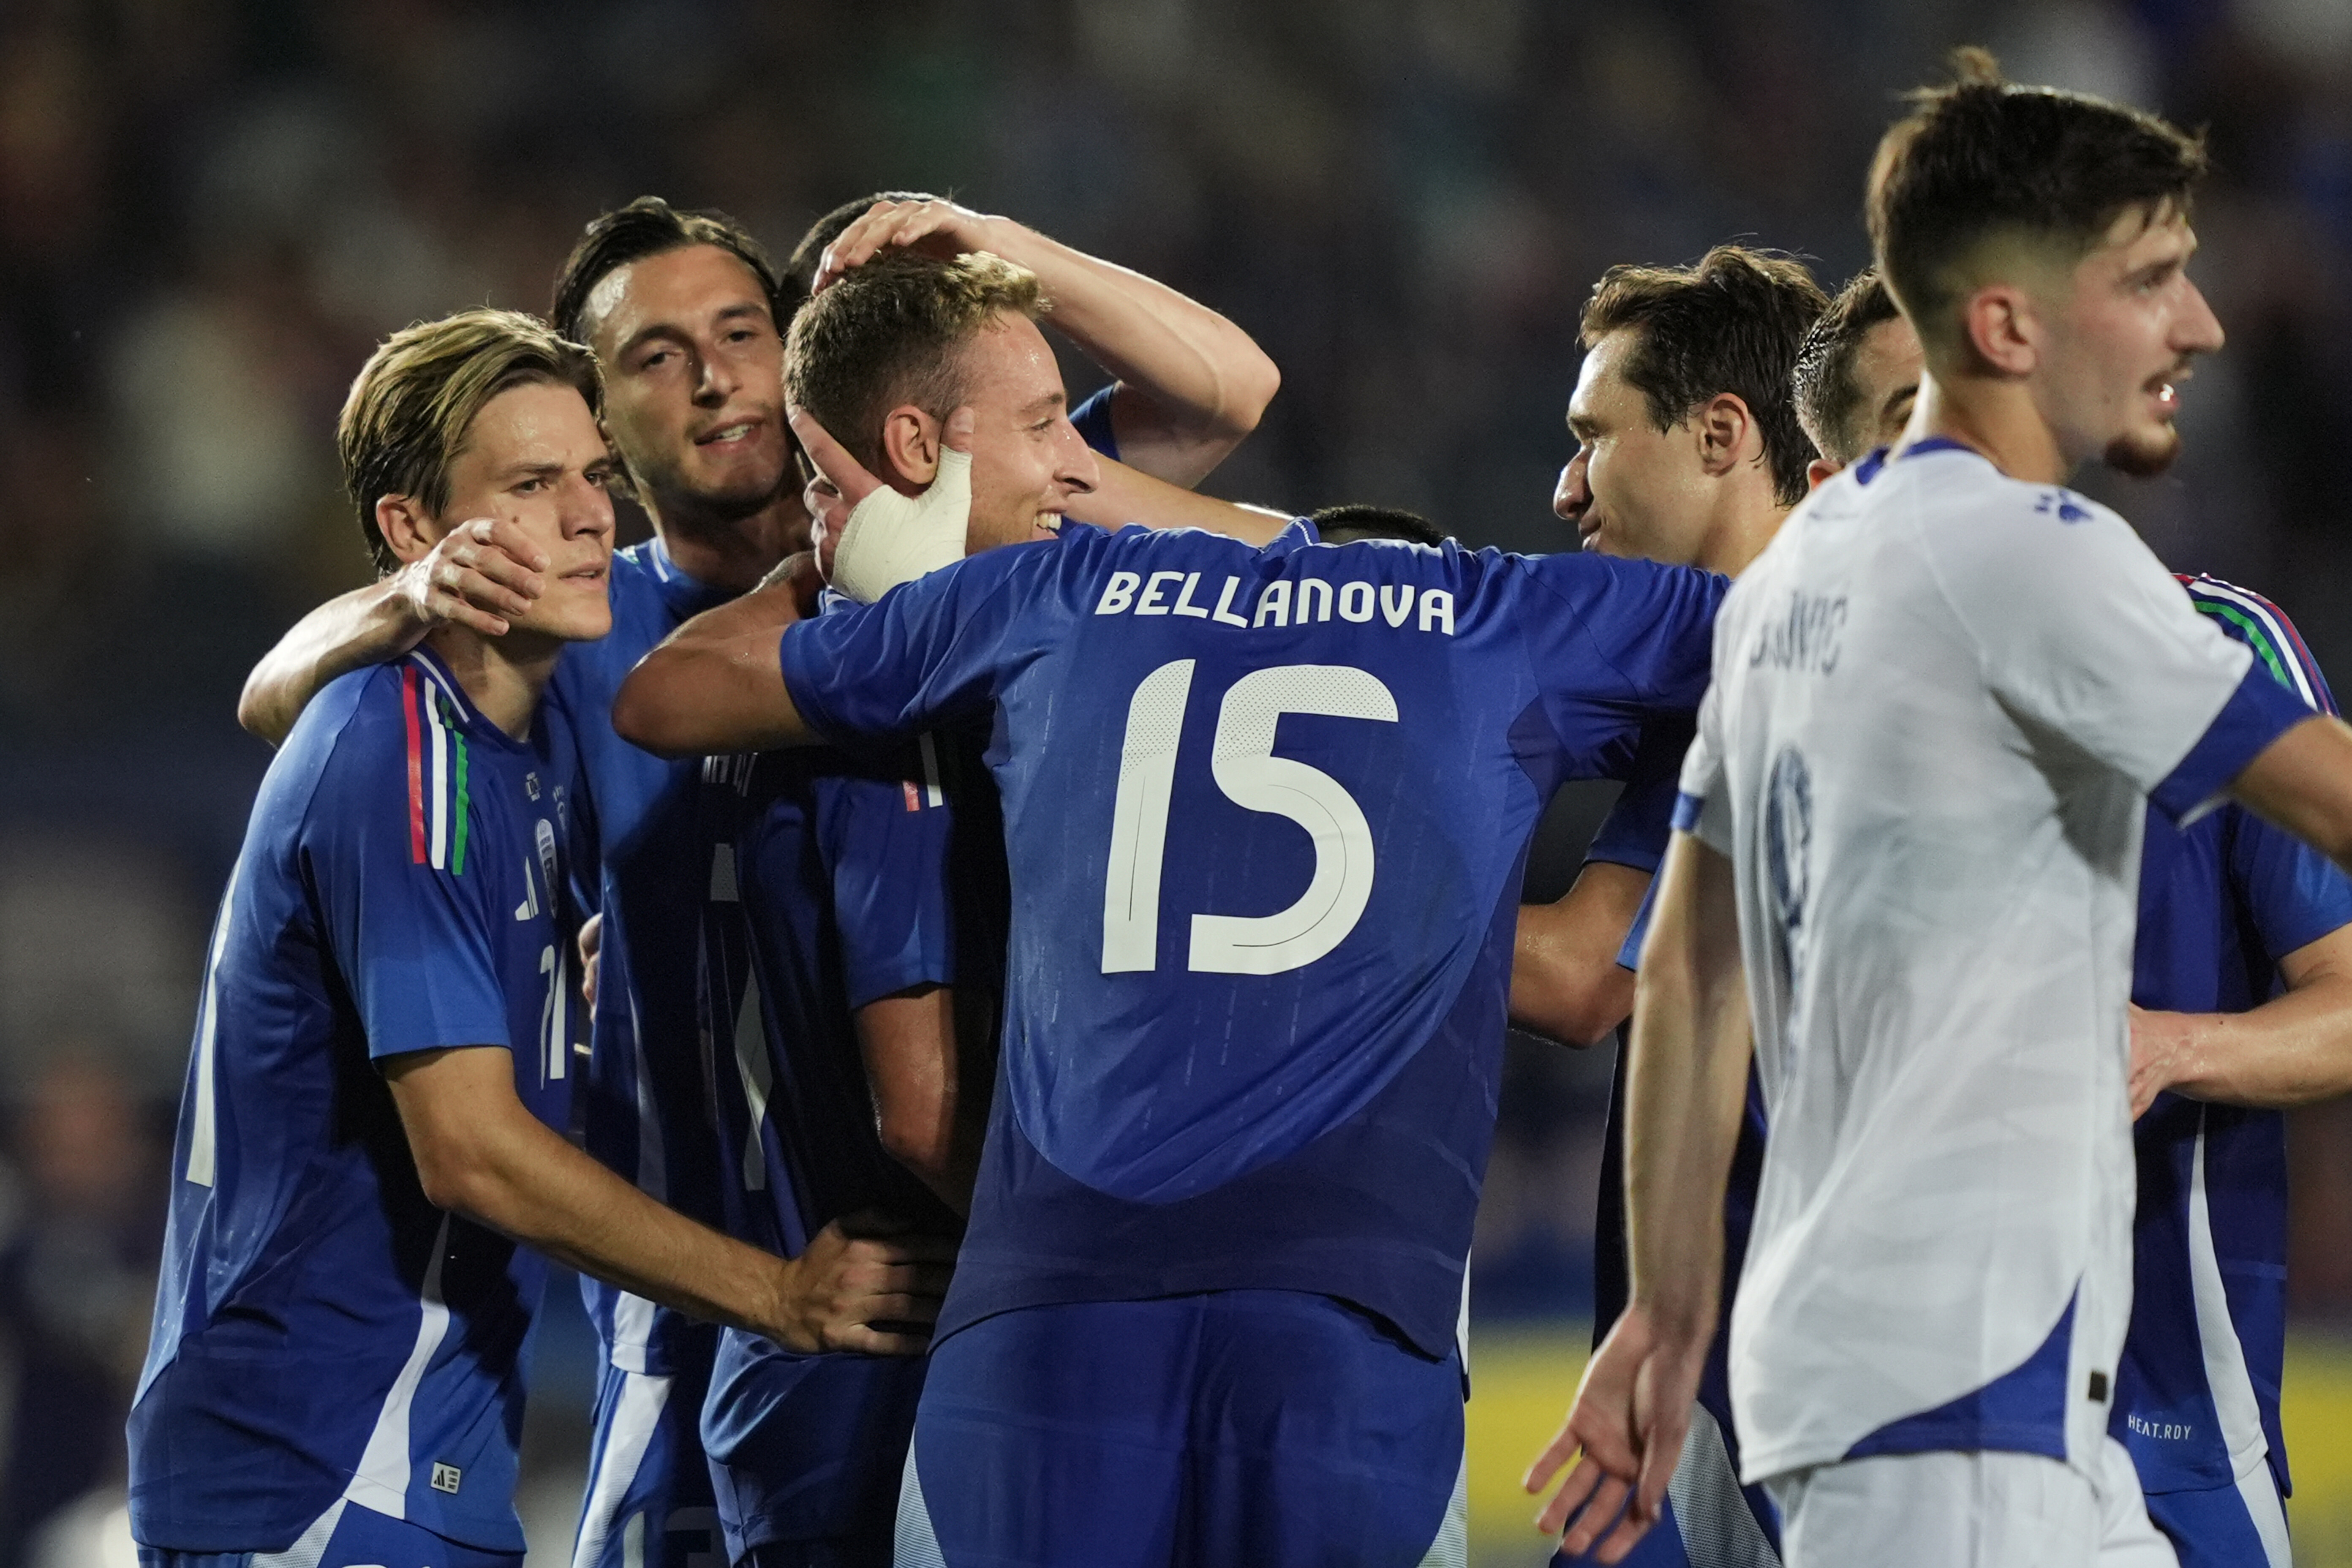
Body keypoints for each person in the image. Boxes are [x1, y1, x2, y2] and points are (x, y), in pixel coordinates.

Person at [607, 231, 1728, 1563]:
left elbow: (661, 696)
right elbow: (1772, 624)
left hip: (1043, 1315)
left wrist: (856, 578)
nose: (1075, 463)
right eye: (1042, 427)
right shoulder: (1493, 613)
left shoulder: (1043, 595)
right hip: (1343, 1311)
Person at [231, 191, 1286, 1568]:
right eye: (657, 356)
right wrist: (412, 591)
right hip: (705, 1302)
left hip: (958, 1263)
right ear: (596, 424)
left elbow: (1226, 391)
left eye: (742, 331)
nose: (717, 373)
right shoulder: (576, 621)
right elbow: (275, 700)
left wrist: (1000, 249)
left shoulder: (951, 525)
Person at [1530, 52, 2352, 1568]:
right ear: (2011, 321)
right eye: (2156, 277)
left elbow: (1690, 972)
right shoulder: (2035, 555)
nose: (2202, 323)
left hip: (1890, 1403)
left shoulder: (1791, 595)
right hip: (1972, 1423)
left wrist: (1662, 1310)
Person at [128, 310, 936, 1568]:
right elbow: (473, 1157)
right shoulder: (400, 750)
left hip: (415, 1453)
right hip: (319, 1465)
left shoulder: (522, 759)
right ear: (413, 534)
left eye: (593, 479)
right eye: (531, 484)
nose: (587, 520)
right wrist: (780, 1295)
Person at [1794, 264, 2352, 1568]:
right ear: (1832, 492)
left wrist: (2170, 1047)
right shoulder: (1781, 699)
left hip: (2169, 1430)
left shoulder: (2212, 651)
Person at [1522, 245, 1828, 1568]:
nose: (1566, 488)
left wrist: (1320, 912)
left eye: (1595, 437)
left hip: (1769, 1370)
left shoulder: (1781, 661)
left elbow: (1590, 976)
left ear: (1722, 434)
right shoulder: (1732, 659)